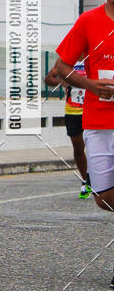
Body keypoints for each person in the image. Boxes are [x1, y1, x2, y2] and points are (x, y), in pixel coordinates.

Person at [56, 0, 114, 287]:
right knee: (103, 198)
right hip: (97, 120)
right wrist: (90, 84)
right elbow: (61, 67)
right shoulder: (88, 22)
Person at [45, 59, 91, 198]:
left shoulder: (93, 56)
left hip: (92, 110)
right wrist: (61, 81)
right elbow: (48, 79)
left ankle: (98, 179)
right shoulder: (67, 59)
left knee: (95, 147)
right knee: (78, 148)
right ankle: (85, 182)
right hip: (72, 111)